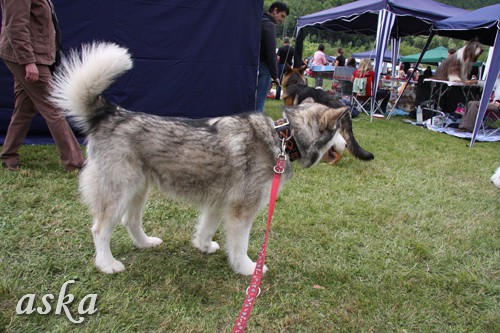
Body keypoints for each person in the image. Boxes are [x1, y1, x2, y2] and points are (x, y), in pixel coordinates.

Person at [0, 0, 84, 172]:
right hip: (27, 58)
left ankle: (9, 156)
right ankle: (75, 163)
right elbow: (15, 27)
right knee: (53, 107)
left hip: (36, 55)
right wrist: (28, 62)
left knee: (25, 108)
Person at [256, 1, 289, 112]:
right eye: (282, 16)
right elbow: (270, 52)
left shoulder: (258, 21)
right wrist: (275, 76)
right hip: (264, 68)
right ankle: (258, 126)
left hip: (254, 65)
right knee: (259, 103)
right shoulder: (269, 25)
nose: (282, 19)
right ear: (275, 11)